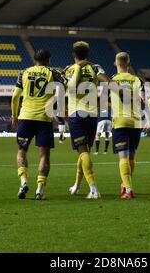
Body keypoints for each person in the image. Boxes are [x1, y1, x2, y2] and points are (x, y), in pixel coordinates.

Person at [11, 49, 65, 200]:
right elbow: (61, 91)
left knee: (22, 150)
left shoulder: (24, 73)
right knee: (44, 155)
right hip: (44, 119)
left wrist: (14, 116)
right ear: (48, 60)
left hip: (26, 117)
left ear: (34, 60)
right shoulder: (53, 73)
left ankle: (23, 181)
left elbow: (15, 96)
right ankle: (40, 190)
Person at [64, 41, 110, 199]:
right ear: (87, 54)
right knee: (84, 153)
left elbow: (69, 88)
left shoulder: (69, 69)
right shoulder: (96, 67)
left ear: (73, 55)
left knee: (82, 152)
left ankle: (93, 188)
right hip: (92, 115)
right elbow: (108, 82)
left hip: (76, 114)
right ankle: (77, 185)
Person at [110, 52, 144, 199]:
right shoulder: (136, 80)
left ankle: (128, 189)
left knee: (123, 156)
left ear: (115, 63)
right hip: (136, 122)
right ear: (129, 65)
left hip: (121, 121)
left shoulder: (112, 80)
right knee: (131, 156)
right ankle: (125, 184)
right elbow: (142, 103)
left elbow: (104, 102)